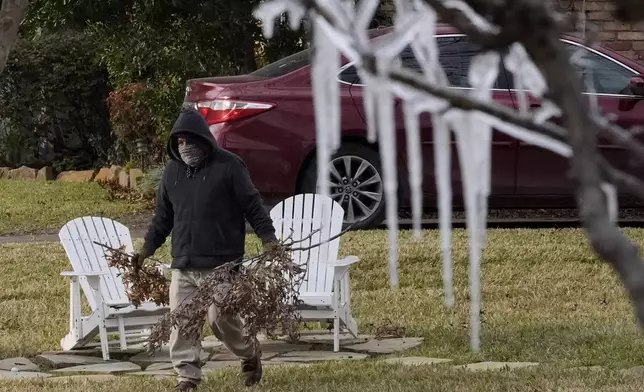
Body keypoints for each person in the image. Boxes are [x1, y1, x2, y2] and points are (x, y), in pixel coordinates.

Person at [132, 107, 278, 391]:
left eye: (188, 140)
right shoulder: (172, 173)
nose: (183, 146)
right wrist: (146, 249)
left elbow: (253, 205)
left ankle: (249, 353)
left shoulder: (230, 166)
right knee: (182, 324)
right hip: (183, 264)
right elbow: (163, 218)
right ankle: (187, 377)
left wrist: (268, 238)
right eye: (179, 142)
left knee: (221, 320)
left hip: (222, 264)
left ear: (203, 138)